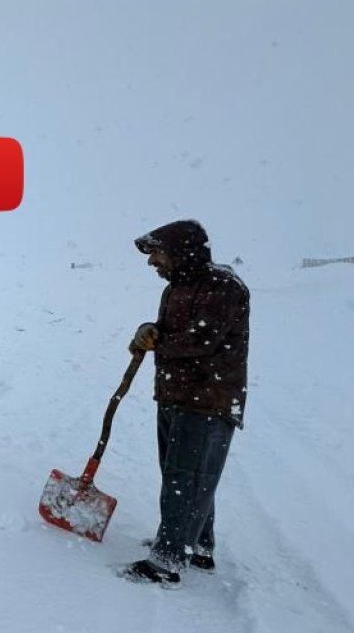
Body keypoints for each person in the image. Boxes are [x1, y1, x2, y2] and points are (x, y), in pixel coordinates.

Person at [122, 220, 250, 585]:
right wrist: (151, 330)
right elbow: (171, 331)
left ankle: (167, 560)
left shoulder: (222, 286)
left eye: (157, 254)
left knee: (187, 478)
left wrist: (159, 343)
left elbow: (202, 340)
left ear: (181, 252)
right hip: (177, 395)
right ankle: (197, 546)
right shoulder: (176, 289)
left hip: (208, 400)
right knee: (184, 476)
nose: (152, 263)